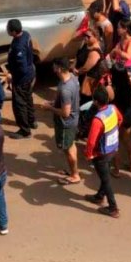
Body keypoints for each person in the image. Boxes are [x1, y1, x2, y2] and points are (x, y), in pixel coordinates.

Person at [84, 86, 121, 218]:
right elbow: (120, 120)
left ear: (95, 102)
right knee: (104, 174)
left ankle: (113, 207)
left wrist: (89, 154)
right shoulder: (113, 109)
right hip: (112, 147)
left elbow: (91, 141)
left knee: (105, 180)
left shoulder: (97, 119)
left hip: (101, 153)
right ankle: (99, 196)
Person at [47, 57, 81, 185]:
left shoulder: (65, 89)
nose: (53, 69)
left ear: (60, 69)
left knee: (67, 149)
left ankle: (75, 175)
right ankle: (73, 170)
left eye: (55, 66)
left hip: (66, 123)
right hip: (73, 120)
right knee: (71, 145)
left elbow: (65, 113)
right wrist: (54, 103)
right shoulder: (72, 78)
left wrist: (49, 108)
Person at [6, 19, 36, 139]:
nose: (7, 30)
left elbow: (21, 68)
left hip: (21, 79)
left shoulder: (19, 47)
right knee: (28, 99)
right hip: (30, 73)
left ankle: (25, 130)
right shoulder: (26, 34)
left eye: (9, 29)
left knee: (20, 104)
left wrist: (12, 75)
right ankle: (31, 121)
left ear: (13, 31)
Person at [74, 28, 105, 104]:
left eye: (88, 36)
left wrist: (76, 71)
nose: (86, 38)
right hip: (82, 78)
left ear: (96, 37)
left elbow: (85, 68)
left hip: (89, 81)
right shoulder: (86, 45)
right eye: (85, 35)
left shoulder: (95, 51)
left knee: (86, 101)